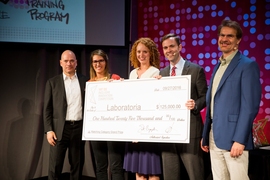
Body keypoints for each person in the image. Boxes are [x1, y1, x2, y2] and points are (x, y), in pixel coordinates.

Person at [201, 19, 261, 180]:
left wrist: (240, 140)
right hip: (214, 136)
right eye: (222, 35)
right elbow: (212, 102)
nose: (224, 39)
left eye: (230, 36)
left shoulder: (247, 66)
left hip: (234, 138)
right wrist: (206, 134)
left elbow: (250, 107)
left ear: (238, 40)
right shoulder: (218, 65)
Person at [159, 33, 207, 180]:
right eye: (165, 48)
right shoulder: (162, 74)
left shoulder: (195, 69)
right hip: (168, 133)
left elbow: (205, 96)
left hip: (190, 132)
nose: (169, 50)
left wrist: (195, 104)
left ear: (179, 47)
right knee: (170, 175)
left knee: (195, 174)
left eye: (172, 46)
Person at [43, 50, 88, 180]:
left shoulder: (85, 81)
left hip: (79, 129)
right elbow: (47, 109)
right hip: (58, 130)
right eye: (66, 61)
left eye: (72, 61)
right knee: (55, 166)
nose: (69, 63)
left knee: (77, 166)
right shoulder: (52, 82)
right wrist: (49, 130)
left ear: (76, 63)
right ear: (61, 63)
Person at [123, 37, 161, 180]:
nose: (141, 55)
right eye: (138, 52)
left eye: (145, 52)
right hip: (134, 127)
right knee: (139, 171)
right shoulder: (133, 73)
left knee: (152, 171)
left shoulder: (155, 72)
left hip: (149, 126)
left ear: (151, 53)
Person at [89, 49, 125, 180]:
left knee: (116, 166)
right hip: (96, 130)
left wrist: (121, 85)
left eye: (101, 61)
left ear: (106, 62)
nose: (98, 64)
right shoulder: (89, 84)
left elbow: (123, 100)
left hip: (113, 129)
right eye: (95, 61)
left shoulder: (114, 78)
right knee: (100, 167)